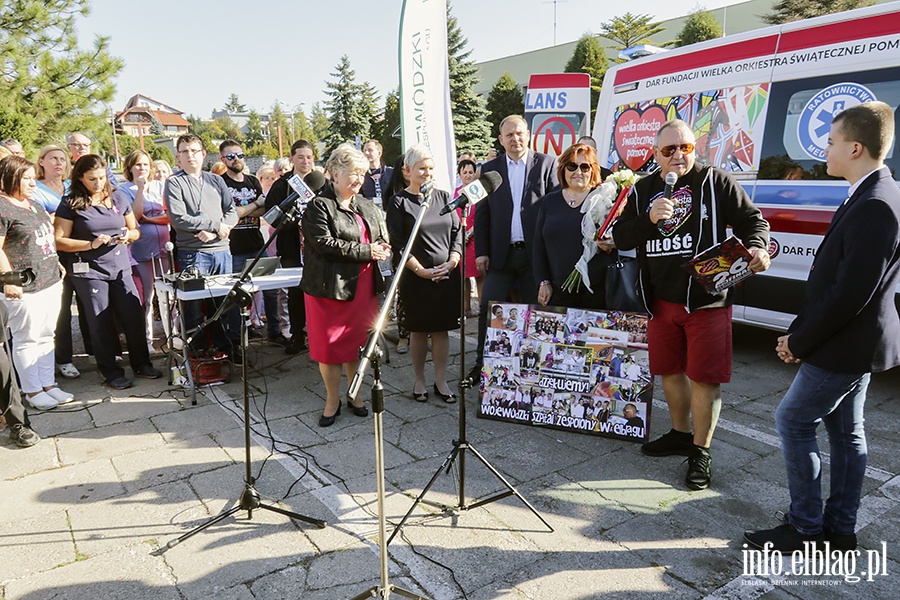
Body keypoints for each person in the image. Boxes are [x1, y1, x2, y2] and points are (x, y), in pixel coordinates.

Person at [745, 101, 900, 552]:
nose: (824, 152)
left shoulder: (876, 205)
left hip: (845, 344)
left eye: (830, 142)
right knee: (847, 432)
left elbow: (850, 295)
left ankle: (805, 527)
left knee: (792, 420)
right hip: (856, 344)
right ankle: (841, 529)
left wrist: (800, 340)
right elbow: (837, 283)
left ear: (855, 147)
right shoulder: (876, 193)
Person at [613, 119, 771, 490]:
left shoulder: (715, 181)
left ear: (694, 149)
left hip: (706, 301)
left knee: (704, 377)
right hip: (660, 302)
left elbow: (752, 221)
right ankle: (680, 433)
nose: (678, 156)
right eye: (669, 150)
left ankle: (701, 450)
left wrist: (760, 247)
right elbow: (619, 235)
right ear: (655, 154)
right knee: (670, 372)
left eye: (685, 148)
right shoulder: (643, 190)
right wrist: (649, 219)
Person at [53, 154, 161, 390]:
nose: (98, 183)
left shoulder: (118, 197)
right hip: (89, 270)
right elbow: (59, 240)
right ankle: (111, 371)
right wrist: (89, 244)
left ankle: (142, 363)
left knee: (133, 314)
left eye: (102, 178)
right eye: (92, 179)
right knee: (99, 320)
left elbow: (135, 230)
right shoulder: (71, 203)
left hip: (121, 265)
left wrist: (127, 236)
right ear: (80, 178)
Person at [301, 143, 390, 427]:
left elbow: (378, 235)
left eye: (362, 175)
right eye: (353, 173)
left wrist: (383, 246)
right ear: (335, 173)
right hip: (330, 288)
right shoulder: (319, 205)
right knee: (329, 349)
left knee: (358, 345)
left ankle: (356, 394)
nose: (358, 180)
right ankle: (332, 399)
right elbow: (323, 243)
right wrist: (368, 251)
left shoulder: (365, 204)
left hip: (363, 287)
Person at [471, 115, 558, 380]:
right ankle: (481, 364)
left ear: (528, 134)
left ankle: (539, 366)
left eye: (519, 133)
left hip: (535, 257)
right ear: (500, 140)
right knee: (489, 309)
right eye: (508, 135)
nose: (515, 139)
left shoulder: (546, 163)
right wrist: (481, 251)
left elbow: (555, 208)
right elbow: (481, 213)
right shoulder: (489, 168)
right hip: (501, 254)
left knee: (539, 314)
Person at [387, 145, 463, 404]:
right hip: (415, 277)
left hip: (445, 275)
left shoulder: (444, 197)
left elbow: (457, 233)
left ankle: (441, 379)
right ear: (407, 171)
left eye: (430, 168)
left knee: (441, 331)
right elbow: (397, 243)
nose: (427, 173)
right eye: (422, 168)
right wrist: (420, 270)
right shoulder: (399, 201)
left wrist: (453, 261)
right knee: (418, 330)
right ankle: (419, 379)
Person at [0, 155, 71, 410]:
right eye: (26, 178)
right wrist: (8, 279)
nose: (32, 183)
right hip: (23, 286)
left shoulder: (34, 204)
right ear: (10, 178)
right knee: (26, 338)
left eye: (33, 177)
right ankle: (32, 391)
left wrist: (55, 261)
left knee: (46, 335)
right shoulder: (2, 208)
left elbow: (46, 236)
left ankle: (48, 384)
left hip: (49, 279)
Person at [164, 134, 238, 361]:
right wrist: (215, 224)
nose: (190, 156)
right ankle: (196, 357)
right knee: (194, 309)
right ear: (178, 156)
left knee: (224, 307)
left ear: (203, 154)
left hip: (222, 252)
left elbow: (232, 211)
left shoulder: (216, 180)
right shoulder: (174, 182)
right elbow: (179, 218)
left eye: (194, 151)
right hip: (193, 254)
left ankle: (229, 349)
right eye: (185, 151)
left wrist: (216, 231)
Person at [533, 143, 617, 309]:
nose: (578, 172)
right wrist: (543, 281)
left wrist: (614, 240)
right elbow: (538, 245)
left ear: (593, 170)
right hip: (558, 291)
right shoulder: (550, 201)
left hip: (598, 292)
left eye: (585, 167)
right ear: (563, 169)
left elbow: (620, 236)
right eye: (572, 166)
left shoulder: (605, 200)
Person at [31, 145, 87, 380]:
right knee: (61, 310)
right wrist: (66, 217)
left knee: (87, 305)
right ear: (41, 161)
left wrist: (62, 218)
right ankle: (63, 359)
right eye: (53, 158)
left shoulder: (71, 187)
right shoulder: (36, 189)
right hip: (53, 255)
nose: (58, 163)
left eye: (62, 159)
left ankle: (96, 350)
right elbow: (40, 219)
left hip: (81, 252)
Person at [113, 149, 171, 353]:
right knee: (146, 296)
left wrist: (152, 219)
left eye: (146, 164)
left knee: (169, 295)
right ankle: (146, 340)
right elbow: (135, 217)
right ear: (129, 167)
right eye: (138, 164)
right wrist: (139, 190)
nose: (142, 168)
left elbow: (170, 215)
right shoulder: (123, 190)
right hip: (142, 248)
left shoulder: (161, 186)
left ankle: (172, 335)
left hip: (164, 245)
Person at [265, 140, 317, 355]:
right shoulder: (283, 184)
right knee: (295, 293)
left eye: (309, 157)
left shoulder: (319, 181)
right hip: (291, 246)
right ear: (292, 159)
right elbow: (272, 215)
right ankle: (297, 335)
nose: (306, 161)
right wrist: (294, 223)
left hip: (316, 247)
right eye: (301, 157)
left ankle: (317, 333)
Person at [218, 140, 267, 362]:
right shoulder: (220, 183)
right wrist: (253, 205)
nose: (236, 159)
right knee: (234, 297)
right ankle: (235, 342)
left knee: (268, 290)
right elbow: (229, 215)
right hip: (233, 248)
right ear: (222, 160)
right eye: (230, 156)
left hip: (256, 245)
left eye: (239, 155)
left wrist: (245, 210)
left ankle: (273, 331)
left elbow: (263, 210)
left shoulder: (253, 181)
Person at [383, 155, 411, 354]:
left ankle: (424, 334)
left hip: (424, 249)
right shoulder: (395, 196)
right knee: (404, 296)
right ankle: (403, 336)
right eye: (406, 167)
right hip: (402, 251)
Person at [455, 159, 484, 316]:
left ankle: (481, 306)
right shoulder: (456, 192)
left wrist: (469, 232)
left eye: (470, 172)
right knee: (463, 276)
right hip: (460, 239)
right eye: (464, 172)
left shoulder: (478, 190)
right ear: (459, 174)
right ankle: (465, 308)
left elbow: (481, 215)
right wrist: (460, 234)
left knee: (479, 274)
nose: (468, 175)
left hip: (476, 237)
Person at [361, 139, 393, 208]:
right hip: (369, 213)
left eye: (370, 150)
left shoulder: (390, 173)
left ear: (379, 153)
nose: (366, 153)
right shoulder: (361, 174)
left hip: (388, 213)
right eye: (364, 150)